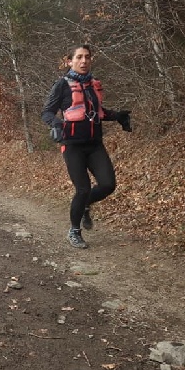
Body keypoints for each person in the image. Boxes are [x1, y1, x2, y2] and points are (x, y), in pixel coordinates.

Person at [42, 44, 131, 248]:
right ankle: (74, 231)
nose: (84, 61)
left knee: (108, 185)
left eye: (87, 57)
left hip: (94, 144)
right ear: (69, 61)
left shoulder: (94, 84)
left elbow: (98, 112)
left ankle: (85, 205)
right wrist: (56, 124)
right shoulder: (62, 85)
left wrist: (117, 116)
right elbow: (46, 112)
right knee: (82, 189)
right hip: (72, 145)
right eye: (79, 57)